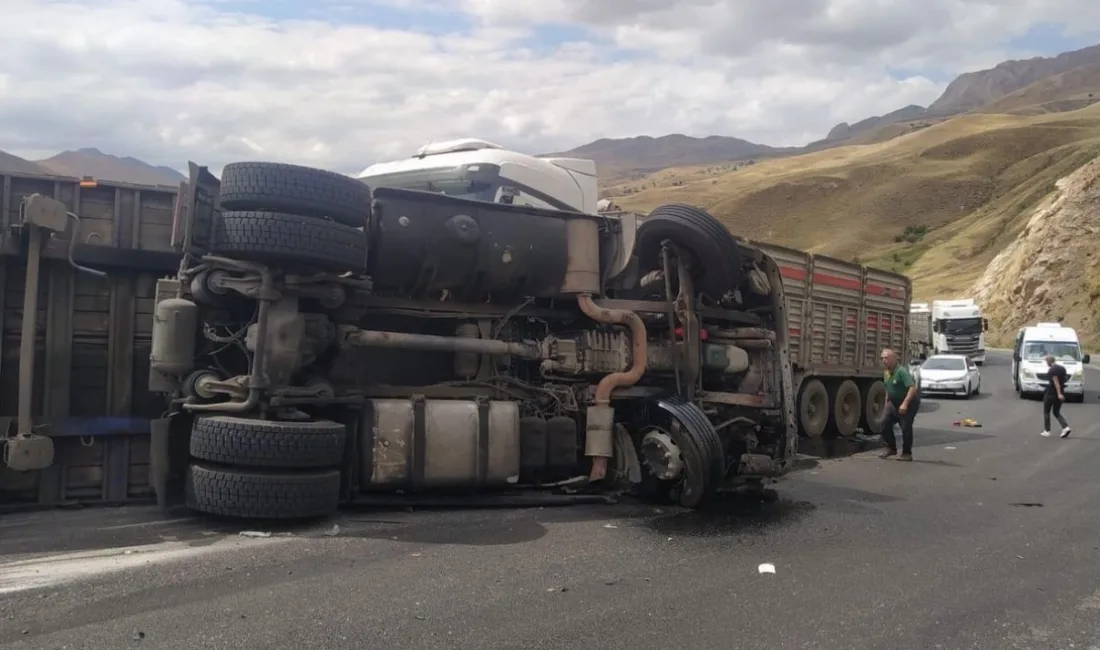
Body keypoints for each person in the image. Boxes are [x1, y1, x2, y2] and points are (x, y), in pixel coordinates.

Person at [880, 348, 920, 461]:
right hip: (894, 402)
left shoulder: (902, 371)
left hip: (909, 402)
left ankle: (907, 453)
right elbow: (888, 387)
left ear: (893, 359)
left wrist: (905, 404)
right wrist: (887, 402)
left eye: (886, 358)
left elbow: (912, 388)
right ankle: (891, 448)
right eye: (882, 358)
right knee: (884, 423)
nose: (884, 360)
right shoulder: (886, 372)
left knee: (905, 427)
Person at [1040, 354, 1071, 438]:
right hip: (1061, 392)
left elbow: (1056, 382)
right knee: (1056, 412)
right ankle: (1065, 427)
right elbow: (1064, 379)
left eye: (1046, 362)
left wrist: (1059, 394)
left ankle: (1047, 430)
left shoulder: (1052, 370)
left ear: (1049, 362)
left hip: (1051, 394)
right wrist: (1061, 393)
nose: (1046, 364)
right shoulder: (1062, 368)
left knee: (1046, 412)